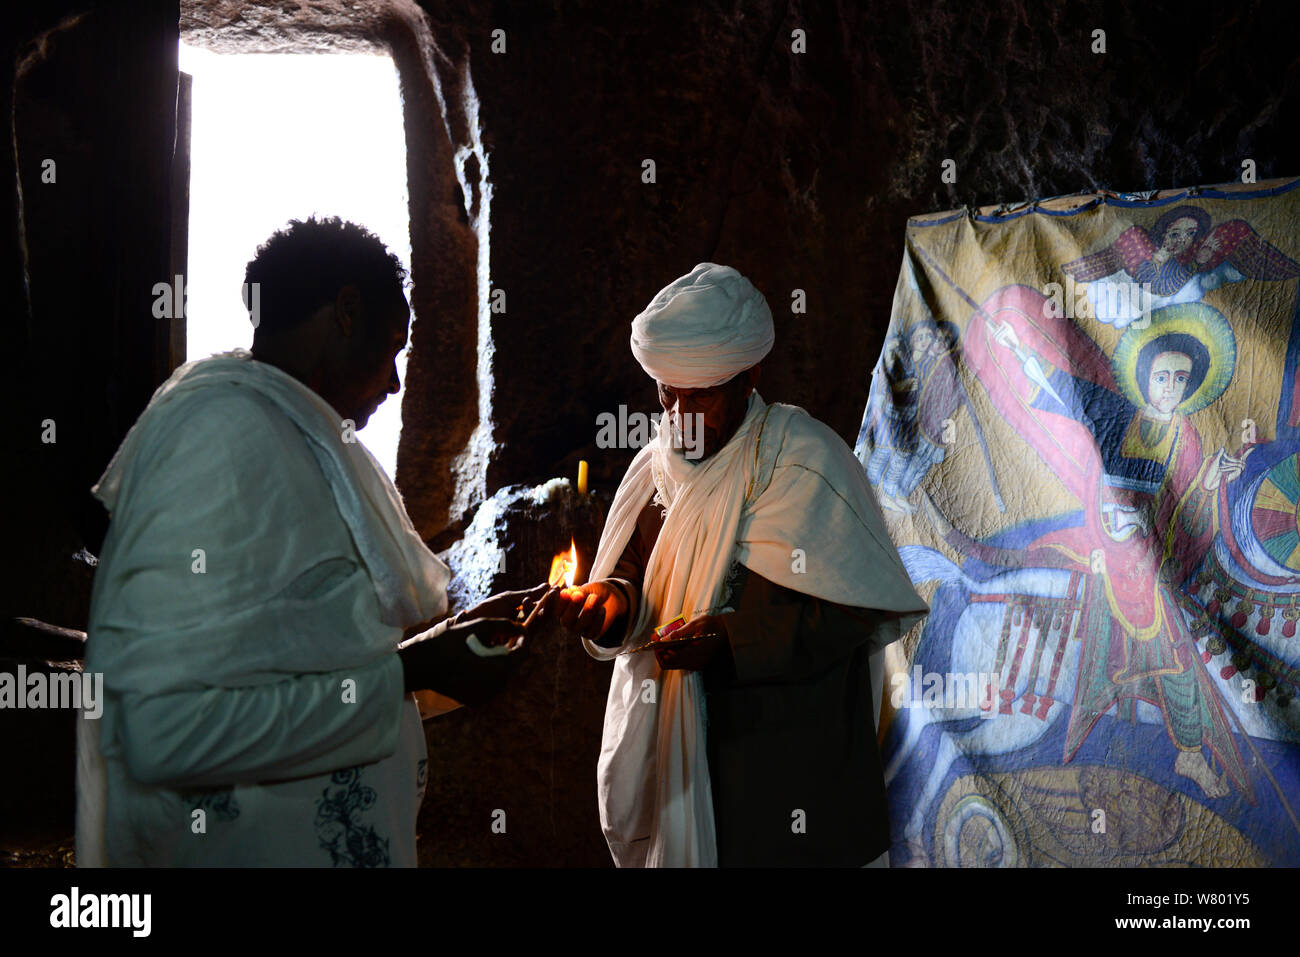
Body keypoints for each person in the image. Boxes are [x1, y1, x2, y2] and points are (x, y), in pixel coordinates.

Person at [77, 216, 536, 867]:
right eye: (395, 347)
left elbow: (297, 636)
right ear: (347, 311)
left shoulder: (294, 435)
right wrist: (416, 669)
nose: (396, 382)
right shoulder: (221, 431)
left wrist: (436, 648)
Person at [545, 263, 928, 867]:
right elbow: (639, 579)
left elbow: (855, 609)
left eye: (699, 394)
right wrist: (611, 606)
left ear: (749, 377)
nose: (679, 414)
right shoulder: (655, 473)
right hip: (689, 776)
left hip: (796, 780)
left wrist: (731, 642)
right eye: (667, 393)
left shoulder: (805, 464)